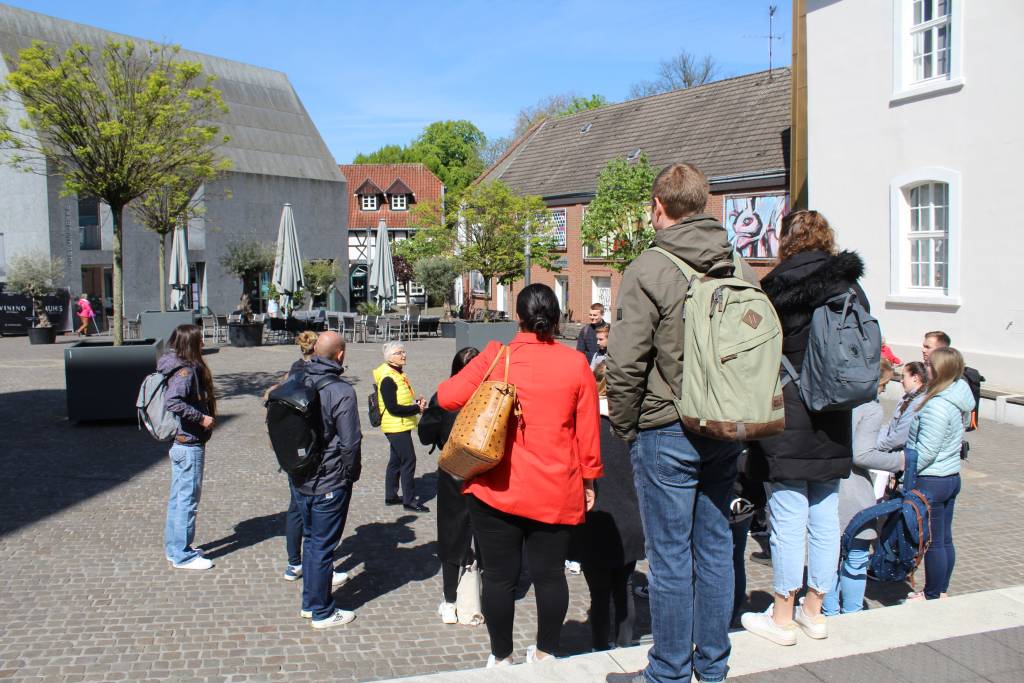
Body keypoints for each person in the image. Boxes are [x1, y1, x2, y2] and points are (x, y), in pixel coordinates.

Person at [605, 163, 757, 683]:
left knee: (669, 558)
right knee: (715, 548)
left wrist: (626, 429)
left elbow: (624, 364)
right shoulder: (738, 264)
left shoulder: (650, 267)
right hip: (725, 424)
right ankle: (712, 667)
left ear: (658, 207)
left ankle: (668, 671)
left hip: (665, 425)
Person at [438, 284, 601, 668]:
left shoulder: (498, 356)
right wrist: (589, 480)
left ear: (518, 317)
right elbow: (588, 432)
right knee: (549, 577)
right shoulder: (576, 364)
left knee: (498, 578)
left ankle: (501, 656)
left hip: (497, 488)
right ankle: (546, 652)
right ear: (557, 317)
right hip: (555, 488)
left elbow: (446, 397)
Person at [741, 210, 865, 646]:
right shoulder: (849, 285)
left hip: (790, 411)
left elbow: (753, 351)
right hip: (833, 413)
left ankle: (782, 616)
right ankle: (816, 610)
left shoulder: (775, 288)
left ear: (786, 240)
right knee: (825, 515)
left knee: (788, 516)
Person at [823, 359, 905, 615]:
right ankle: (852, 613)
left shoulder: (833, 399)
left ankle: (827, 610)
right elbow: (862, 454)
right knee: (856, 557)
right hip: (853, 489)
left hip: (826, 483)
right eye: (884, 384)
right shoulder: (870, 409)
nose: (884, 390)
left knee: (828, 557)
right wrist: (901, 461)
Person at [294, 331, 363, 628]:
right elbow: (350, 443)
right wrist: (351, 473)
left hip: (300, 476)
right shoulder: (341, 391)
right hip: (329, 479)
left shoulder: (297, 378)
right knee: (322, 547)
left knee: (311, 542)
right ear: (340, 355)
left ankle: (311, 603)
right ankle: (322, 611)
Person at [580, 362, 644, 651]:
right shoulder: (635, 425)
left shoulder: (587, 426)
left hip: (597, 519)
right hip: (630, 518)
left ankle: (599, 647)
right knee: (624, 588)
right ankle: (625, 644)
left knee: (599, 595)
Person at [418, 346, 482, 625]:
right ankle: (487, 591)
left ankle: (450, 600)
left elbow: (424, 435)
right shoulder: (493, 394)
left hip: (453, 469)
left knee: (451, 532)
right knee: (487, 532)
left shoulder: (444, 395)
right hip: (487, 469)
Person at [905, 347, 974, 601]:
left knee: (934, 541)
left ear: (941, 370)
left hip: (933, 478)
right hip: (950, 476)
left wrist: (905, 473)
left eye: (931, 366)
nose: (926, 369)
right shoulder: (956, 397)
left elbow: (927, 451)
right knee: (944, 538)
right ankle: (940, 589)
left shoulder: (937, 406)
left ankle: (933, 594)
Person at [281, 330, 345, 589]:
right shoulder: (316, 376)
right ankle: (317, 573)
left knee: (296, 509)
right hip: (314, 455)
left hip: (292, 451)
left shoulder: (293, 372)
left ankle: (294, 562)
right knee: (317, 526)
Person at [160, 324, 217, 570]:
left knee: (178, 498)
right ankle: (182, 555)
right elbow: (173, 401)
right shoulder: (185, 370)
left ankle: (175, 548)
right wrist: (201, 417)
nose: (204, 343)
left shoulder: (173, 363)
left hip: (181, 443)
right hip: (188, 443)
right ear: (192, 343)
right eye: (200, 340)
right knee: (187, 500)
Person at [374, 341, 429, 512]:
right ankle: (410, 501)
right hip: (395, 425)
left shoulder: (397, 373)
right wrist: (417, 408)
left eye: (403, 352)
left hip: (400, 423)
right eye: (399, 353)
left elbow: (400, 401)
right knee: (408, 460)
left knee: (396, 460)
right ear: (390, 357)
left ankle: (391, 496)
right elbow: (393, 407)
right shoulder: (388, 378)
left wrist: (415, 403)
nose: (403, 355)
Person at [873, 361, 928, 498]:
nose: (901, 381)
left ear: (915, 377)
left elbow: (899, 437)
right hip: (892, 453)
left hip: (901, 459)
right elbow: (890, 426)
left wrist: (877, 446)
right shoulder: (906, 398)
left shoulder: (917, 403)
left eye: (904, 377)